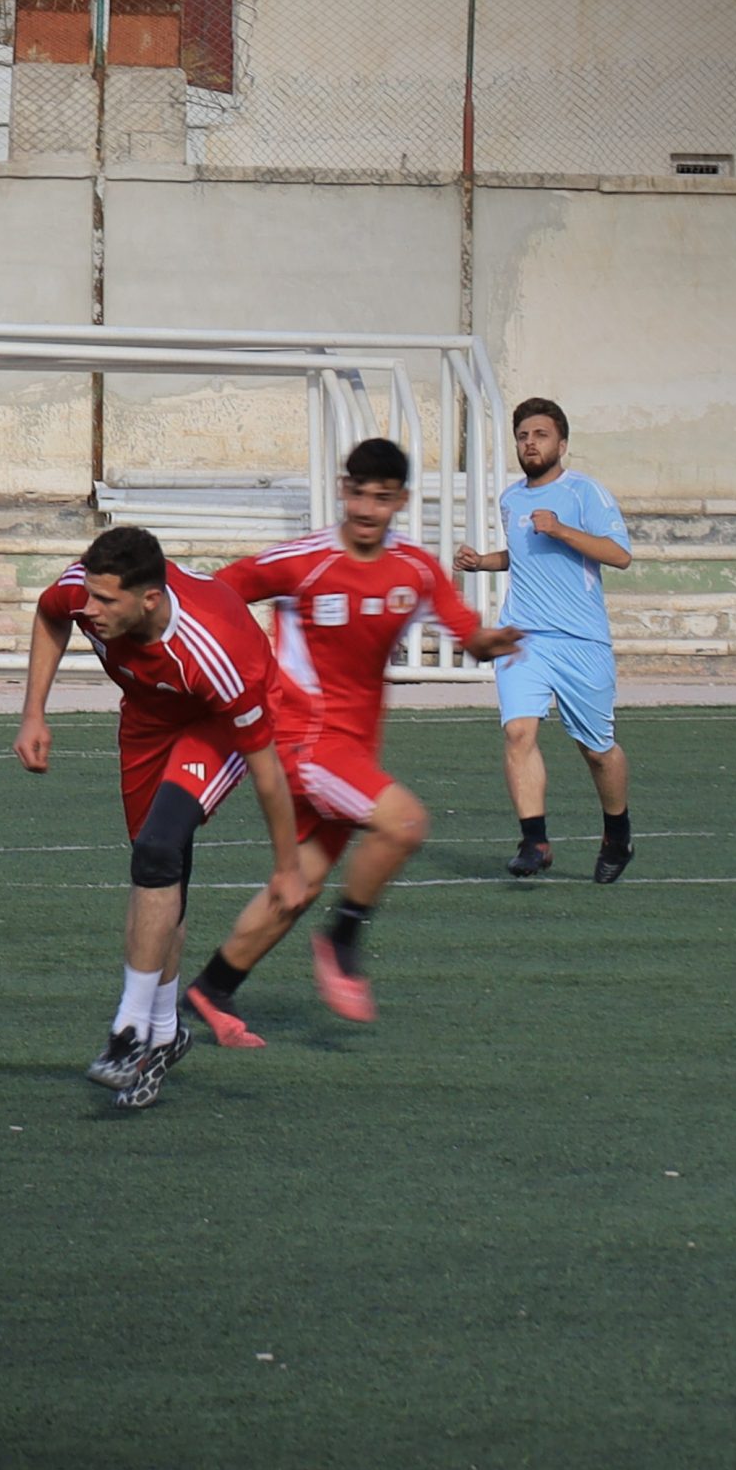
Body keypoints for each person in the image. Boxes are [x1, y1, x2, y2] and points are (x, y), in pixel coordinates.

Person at [187, 439, 523, 1042]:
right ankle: (341, 942)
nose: (367, 509)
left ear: (402, 500)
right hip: (303, 743)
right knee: (406, 824)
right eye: (359, 494)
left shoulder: (414, 569)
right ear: (344, 490)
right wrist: (241, 672)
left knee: (301, 882)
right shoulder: (305, 561)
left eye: (382, 497)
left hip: (352, 749)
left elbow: (463, 629)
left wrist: (487, 642)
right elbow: (212, 597)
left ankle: (212, 988)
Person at [14, 526, 315, 1111]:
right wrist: (33, 714)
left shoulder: (217, 654)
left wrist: (287, 867)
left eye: (106, 601)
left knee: (158, 848)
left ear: (150, 599)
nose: (89, 608)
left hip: (215, 724)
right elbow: (51, 615)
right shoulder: (84, 591)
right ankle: (164, 1034)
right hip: (148, 720)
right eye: (90, 595)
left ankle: (128, 1032)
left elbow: (267, 771)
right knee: (156, 872)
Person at [453, 397, 636, 883]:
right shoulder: (511, 499)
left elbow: (619, 555)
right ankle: (534, 841)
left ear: (562, 443)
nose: (530, 444)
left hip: (581, 640)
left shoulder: (585, 492)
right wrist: (483, 562)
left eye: (540, 435)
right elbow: (522, 555)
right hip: (523, 636)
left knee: (597, 751)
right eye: (523, 436)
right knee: (518, 733)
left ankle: (617, 835)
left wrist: (561, 530)